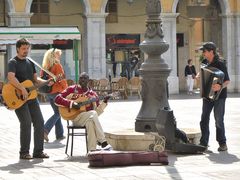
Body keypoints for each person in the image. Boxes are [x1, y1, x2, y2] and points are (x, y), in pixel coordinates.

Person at [7, 38, 49, 159]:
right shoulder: (12, 62)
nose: (26, 51)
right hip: (18, 98)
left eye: (27, 48)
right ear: (18, 49)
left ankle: (38, 151)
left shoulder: (30, 62)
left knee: (39, 122)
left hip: (31, 97)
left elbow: (36, 80)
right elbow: (11, 77)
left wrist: (46, 82)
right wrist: (22, 88)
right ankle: (24, 152)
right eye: (23, 49)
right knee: (25, 123)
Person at [55, 72, 112, 151]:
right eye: (81, 78)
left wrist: (105, 102)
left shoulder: (93, 95)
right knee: (93, 114)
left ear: (88, 81)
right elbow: (57, 98)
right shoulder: (72, 89)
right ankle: (103, 141)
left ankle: (92, 151)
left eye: (85, 78)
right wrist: (71, 103)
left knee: (90, 122)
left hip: (88, 118)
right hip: (75, 118)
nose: (82, 80)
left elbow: (97, 112)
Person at [198, 42, 230, 151]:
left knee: (218, 120)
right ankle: (204, 143)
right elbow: (201, 74)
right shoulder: (204, 62)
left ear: (211, 51)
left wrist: (219, 86)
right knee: (204, 119)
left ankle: (222, 143)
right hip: (207, 96)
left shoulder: (220, 63)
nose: (203, 53)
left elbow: (227, 81)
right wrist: (199, 76)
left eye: (205, 51)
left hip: (219, 96)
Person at [41, 48, 68, 142]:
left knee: (57, 112)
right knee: (58, 113)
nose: (59, 56)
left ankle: (59, 134)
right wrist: (66, 90)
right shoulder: (57, 65)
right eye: (58, 55)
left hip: (49, 93)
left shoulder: (45, 67)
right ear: (53, 55)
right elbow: (62, 80)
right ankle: (45, 130)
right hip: (57, 92)